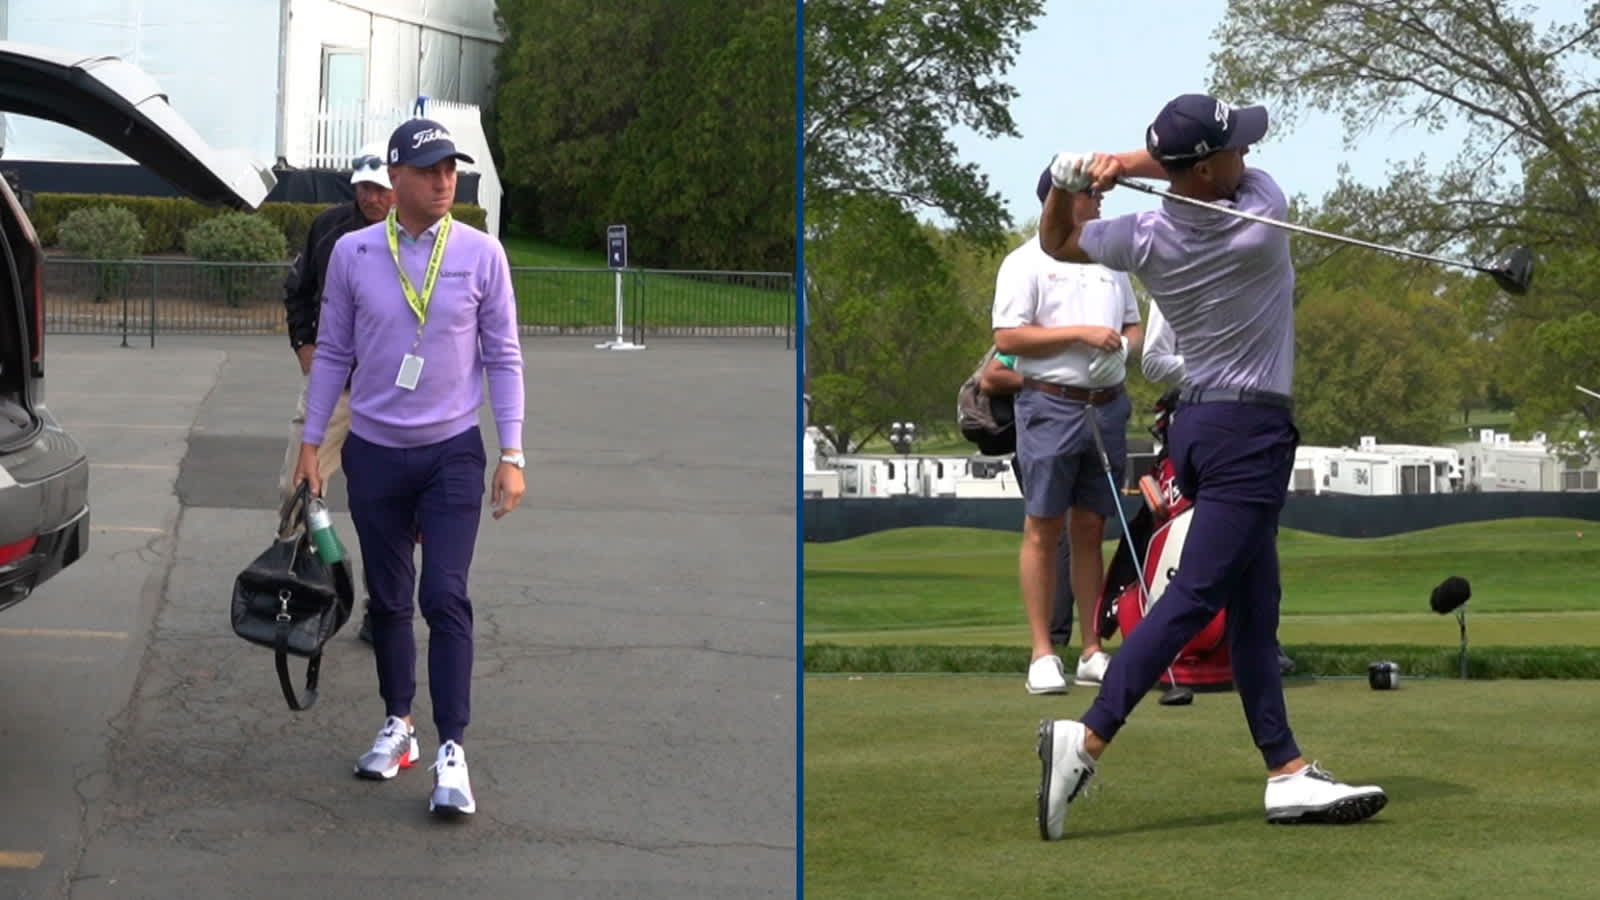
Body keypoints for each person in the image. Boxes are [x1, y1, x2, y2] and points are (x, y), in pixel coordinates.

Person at [1031, 93, 1386, 840]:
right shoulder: (1259, 220)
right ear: (1202, 171)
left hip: (1197, 425)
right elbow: (1219, 174)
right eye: (1233, 148)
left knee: (1256, 603)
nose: (1246, 155)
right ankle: (1087, 737)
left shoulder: (1145, 237)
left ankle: (1286, 771)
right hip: (1248, 432)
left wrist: (1071, 182)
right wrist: (1122, 162)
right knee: (1196, 596)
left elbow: (1059, 243)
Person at [292, 117, 526, 818]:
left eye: (451, 169)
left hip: (452, 451)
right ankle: (399, 725)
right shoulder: (354, 253)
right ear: (394, 179)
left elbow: (503, 355)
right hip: (373, 451)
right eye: (429, 170)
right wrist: (311, 445)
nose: (444, 181)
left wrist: (512, 453)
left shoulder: (481, 253)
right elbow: (333, 353)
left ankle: (453, 749)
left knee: (444, 596)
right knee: (390, 599)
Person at [992, 170, 1142, 696]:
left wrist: (1122, 351)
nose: (1099, 201)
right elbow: (1008, 337)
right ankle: (1042, 653)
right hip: (1050, 404)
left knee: (1090, 528)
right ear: (1059, 200)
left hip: (1106, 405)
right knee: (1043, 526)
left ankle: (1092, 650)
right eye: (1090, 193)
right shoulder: (1025, 261)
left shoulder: (1109, 260)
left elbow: (1132, 325)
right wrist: (1081, 334)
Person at [279, 142, 396, 646]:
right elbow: (298, 288)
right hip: (335, 388)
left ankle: (380, 607)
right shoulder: (329, 228)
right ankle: (308, 591)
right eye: (364, 187)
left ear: (399, 186)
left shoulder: (418, 237)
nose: (372, 197)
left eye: (381, 188)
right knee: (296, 493)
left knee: (387, 509)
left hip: (389, 396)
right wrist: (304, 344)